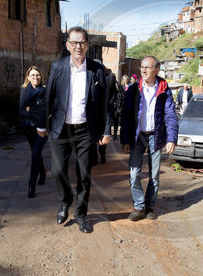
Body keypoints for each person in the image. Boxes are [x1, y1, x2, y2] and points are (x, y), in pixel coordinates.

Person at [44, 26, 110, 233]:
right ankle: (66, 201)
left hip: (85, 131)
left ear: (87, 45)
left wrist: (106, 130)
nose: (78, 46)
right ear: (68, 45)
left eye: (82, 42)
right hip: (61, 130)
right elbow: (48, 98)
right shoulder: (57, 67)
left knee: (84, 175)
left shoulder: (96, 70)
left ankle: (81, 214)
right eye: (74, 43)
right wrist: (41, 124)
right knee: (57, 171)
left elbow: (105, 104)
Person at [121, 56, 178, 221]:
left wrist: (171, 139)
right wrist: (125, 141)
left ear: (156, 70)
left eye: (147, 67)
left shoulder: (163, 89)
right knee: (134, 174)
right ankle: (139, 207)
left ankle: (150, 206)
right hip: (137, 137)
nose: (143, 70)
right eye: (142, 67)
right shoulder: (133, 89)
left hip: (156, 136)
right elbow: (126, 117)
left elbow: (170, 115)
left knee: (154, 176)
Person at [19, 66, 47, 199]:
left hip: (42, 129)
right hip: (29, 128)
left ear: (41, 77)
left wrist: (31, 110)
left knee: (36, 153)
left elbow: (47, 111)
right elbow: (21, 111)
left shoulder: (45, 91)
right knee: (35, 153)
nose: (36, 77)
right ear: (28, 77)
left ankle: (31, 185)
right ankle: (42, 172)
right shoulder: (25, 91)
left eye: (38, 75)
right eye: (33, 75)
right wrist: (37, 112)